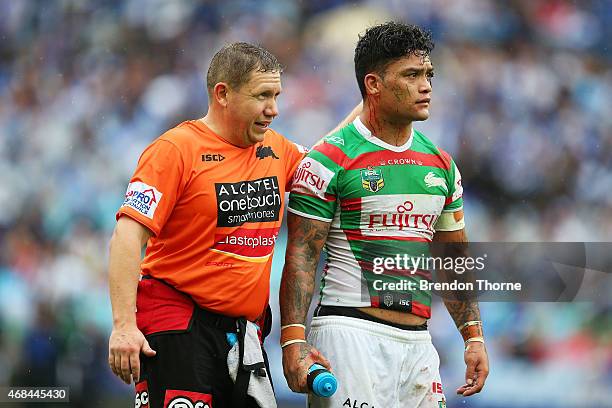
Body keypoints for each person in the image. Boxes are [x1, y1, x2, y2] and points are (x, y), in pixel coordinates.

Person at [107, 42, 359, 408]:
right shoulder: (176, 149)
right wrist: (123, 326)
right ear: (222, 93)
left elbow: (327, 156)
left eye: (276, 95)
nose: (273, 109)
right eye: (262, 96)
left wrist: (371, 106)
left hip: (244, 334)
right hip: (179, 325)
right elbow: (127, 236)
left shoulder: (275, 148)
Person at [280, 22, 489, 408]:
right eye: (411, 75)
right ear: (373, 85)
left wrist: (473, 335)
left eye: (429, 75)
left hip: (419, 343)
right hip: (349, 335)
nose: (426, 86)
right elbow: (302, 255)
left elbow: (453, 259)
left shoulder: (441, 165)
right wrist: (293, 339)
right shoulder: (329, 160)